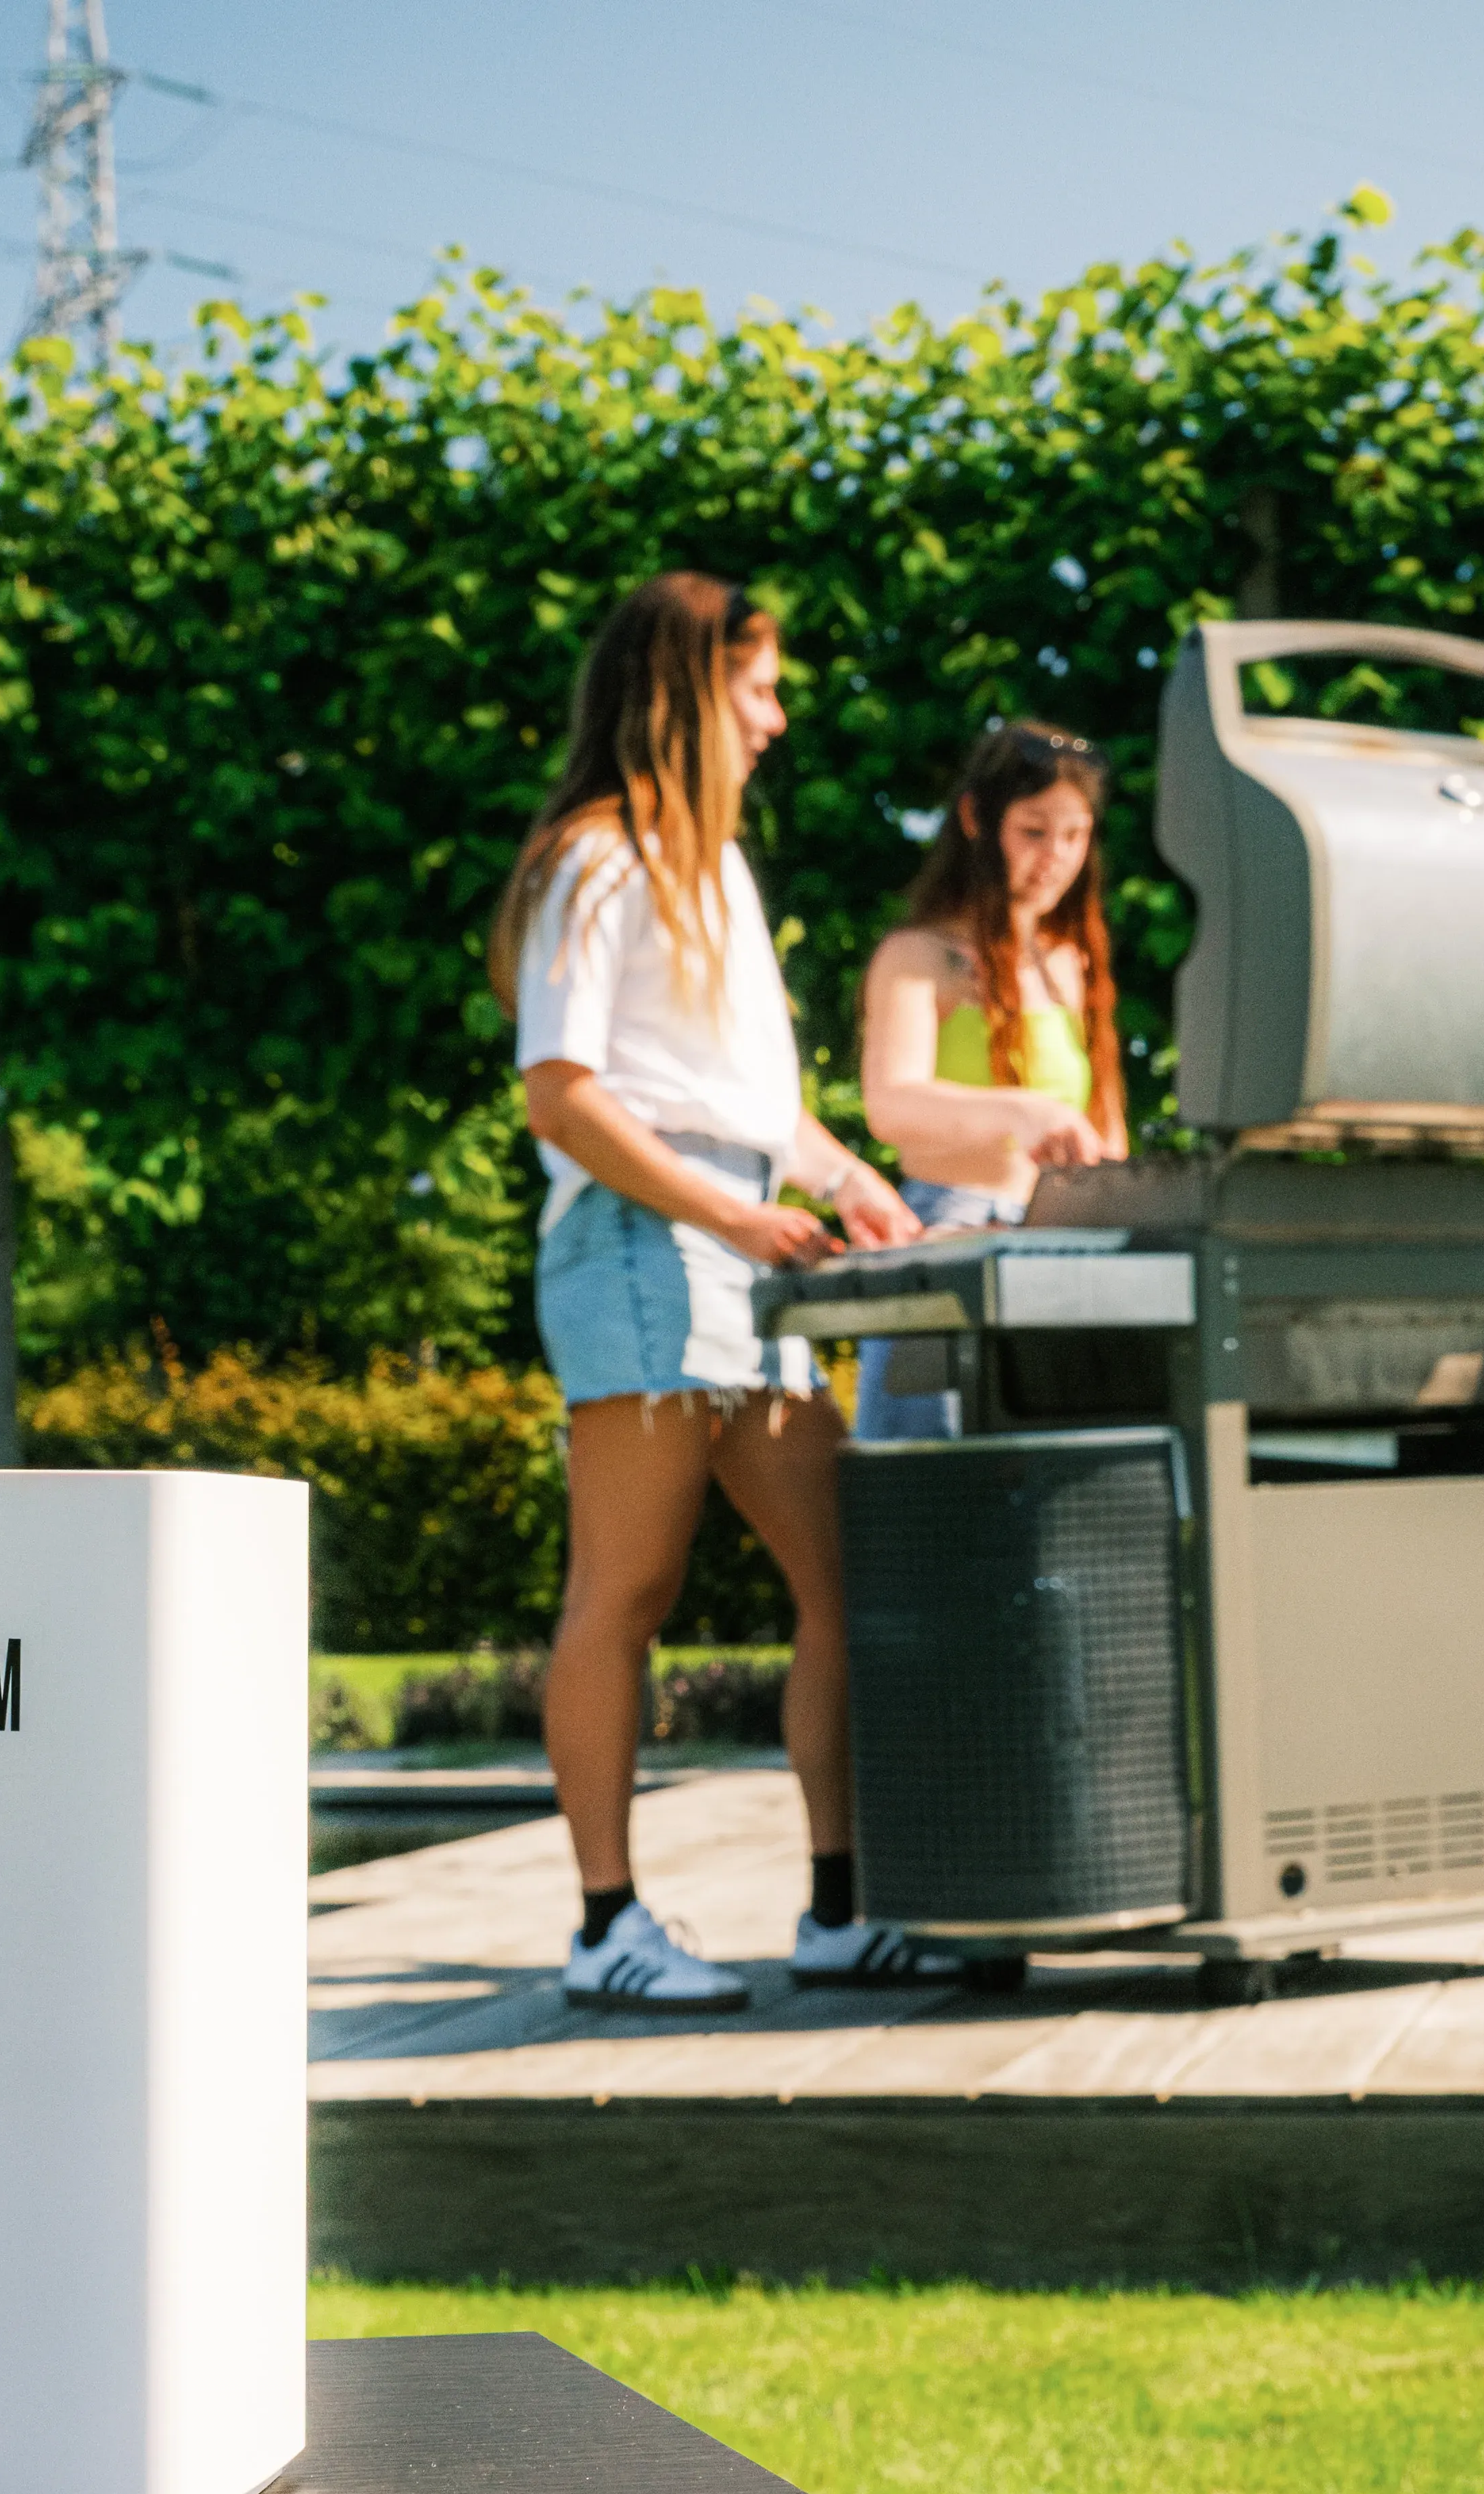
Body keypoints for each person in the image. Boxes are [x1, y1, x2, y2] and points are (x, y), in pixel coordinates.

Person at [494, 573, 962, 2010]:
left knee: (846, 1575)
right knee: (627, 1589)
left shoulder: (717, 874)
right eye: (758, 688)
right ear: (690, 691)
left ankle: (838, 1905)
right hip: (641, 1245)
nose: (777, 715)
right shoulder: (600, 861)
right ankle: (605, 1927)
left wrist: (843, 1179)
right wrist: (731, 1211)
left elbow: (743, 1101)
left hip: (737, 1241)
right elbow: (562, 1097)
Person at [853, 723, 1131, 1439]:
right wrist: (1020, 1111)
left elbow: (1108, 1137)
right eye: (1033, 831)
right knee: (933, 1489)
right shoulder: (919, 955)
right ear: (977, 819)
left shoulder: (1074, 963)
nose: (1056, 858)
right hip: (945, 1237)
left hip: (1060, 1248)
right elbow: (889, 1103)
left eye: (1074, 835)